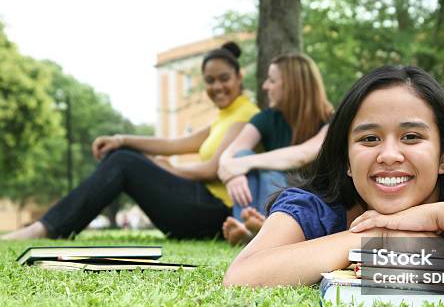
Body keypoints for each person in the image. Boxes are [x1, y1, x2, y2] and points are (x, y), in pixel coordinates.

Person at [223, 65, 444, 307]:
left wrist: (443, 214)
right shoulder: (315, 207)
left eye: (411, 136)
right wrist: (378, 237)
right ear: (347, 161)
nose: (389, 154)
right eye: (369, 140)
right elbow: (241, 279)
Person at [2, 42, 259, 240]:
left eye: (224, 78)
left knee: (124, 161)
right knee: (122, 154)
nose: (217, 87)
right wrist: (121, 139)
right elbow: (172, 144)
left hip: (218, 213)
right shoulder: (222, 118)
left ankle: (44, 228)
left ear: (239, 76)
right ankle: (48, 225)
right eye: (210, 81)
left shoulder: (246, 114)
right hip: (199, 206)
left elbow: (213, 169)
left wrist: (170, 169)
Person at [218, 53, 333, 244]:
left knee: (266, 172)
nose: (265, 86)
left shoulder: (331, 120)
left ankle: (263, 233)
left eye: (271, 80)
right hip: (273, 197)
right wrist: (233, 174)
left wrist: (240, 164)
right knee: (244, 155)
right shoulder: (267, 118)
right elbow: (229, 155)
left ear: (292, 85)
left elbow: (303, 154)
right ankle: (249, 229)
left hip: (311, 201)